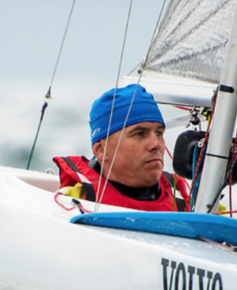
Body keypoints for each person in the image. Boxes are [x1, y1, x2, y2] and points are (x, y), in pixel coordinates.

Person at [53, 84, 190, 212]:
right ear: (101, 150)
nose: (156, 144)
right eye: (139, 134)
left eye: (159, 133)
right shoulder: (69, 204)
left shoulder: (185, 199)